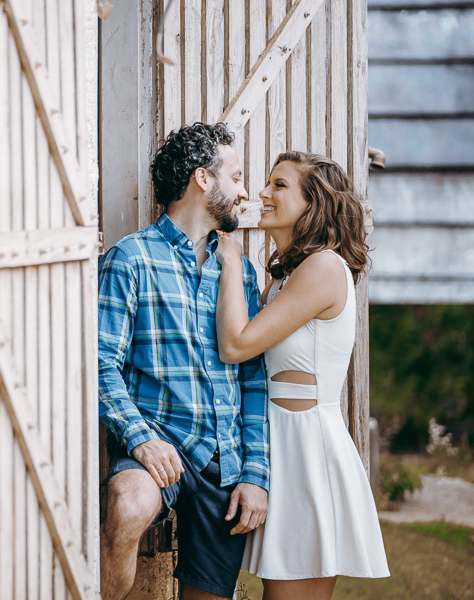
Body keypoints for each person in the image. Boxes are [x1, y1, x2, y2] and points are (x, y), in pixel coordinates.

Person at [98, 122, 269, 600]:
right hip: (159, 439)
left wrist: (255, 474)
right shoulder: (130, 259)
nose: (244, 191)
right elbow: (99, 363)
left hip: (223, 457)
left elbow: (253, 376)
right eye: (235, 177)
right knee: (128, 505)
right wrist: (140, 439)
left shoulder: (236, 269)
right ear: (202, 179)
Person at [214, 151, 390, 600]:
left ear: (314, 204)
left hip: (309, 453)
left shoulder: (324, 268)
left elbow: (236, 345)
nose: (262, 194)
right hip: (280, 448)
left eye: (279, 186)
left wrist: (232, 263)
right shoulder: (285, 277)